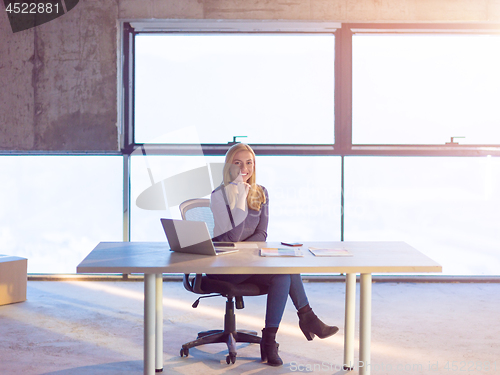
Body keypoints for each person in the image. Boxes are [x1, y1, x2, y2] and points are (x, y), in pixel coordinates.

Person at [208, 143, 338, 366]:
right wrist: (239, 198)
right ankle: (308, 318)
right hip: (225, 267)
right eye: (237, 163)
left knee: (283, 274)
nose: (244, 169)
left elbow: (262, 233)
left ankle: (269, 341)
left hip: (250, 263)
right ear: (228, 166)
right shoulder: (218, 196)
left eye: (249, 163)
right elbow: (231, 238)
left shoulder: (261, 192)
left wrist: (248, 251)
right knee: (284, 271)